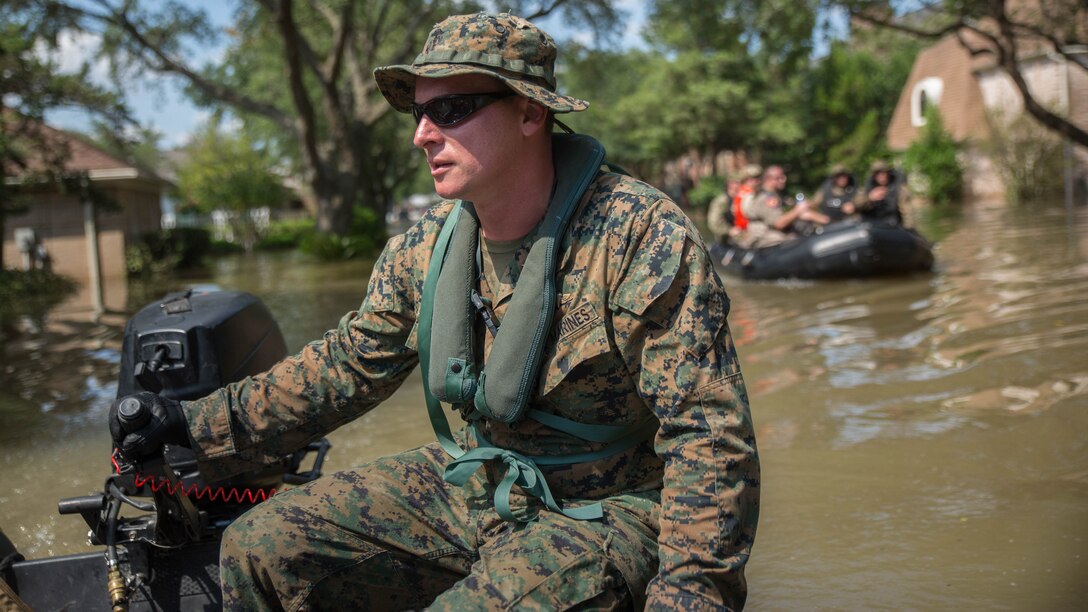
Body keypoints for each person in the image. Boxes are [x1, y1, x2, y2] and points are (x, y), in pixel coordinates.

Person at [108, 12, 759, 611]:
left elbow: (710, 436)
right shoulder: (427, 247)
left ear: (530, 112)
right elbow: (346, 366)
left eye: (451, 110)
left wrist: (692, 594)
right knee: (260, 545)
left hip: (607, 507)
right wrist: (191, 423)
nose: (422, 135)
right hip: (480, 482)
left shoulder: (640, 236)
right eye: (418, 113)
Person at [743, 165, 829, 248]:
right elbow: (779, 223)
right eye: (779, 178)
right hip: (772, 243)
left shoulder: (776, 195)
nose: (783, 179)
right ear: (768, 179)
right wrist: (798, 210)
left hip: (780, 239)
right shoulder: (766, 199)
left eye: (783, 176)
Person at [856, 160, 905, 225]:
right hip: (873, 224)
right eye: (877, 173)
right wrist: (870, 198)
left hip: (893, 224)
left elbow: (907, 210)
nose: (881, 175)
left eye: (883, 172)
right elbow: (856, 205)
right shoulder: (867, 188)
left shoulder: (897, 186)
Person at [706, 175, 740, 243]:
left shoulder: (742, 199)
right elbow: (714, 222)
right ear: (729, 187)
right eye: (736, 188)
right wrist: (729, 230)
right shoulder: (721, 201)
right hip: (727, 240)